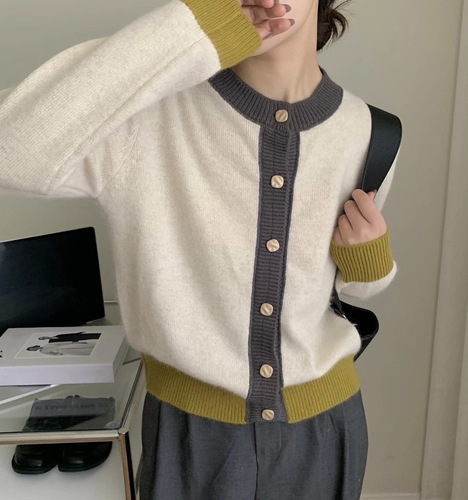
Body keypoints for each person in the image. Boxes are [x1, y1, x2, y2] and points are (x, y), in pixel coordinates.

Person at [0, 0, 399, 498]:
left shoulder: (372, 130)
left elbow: (350, 285)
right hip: (191, 433)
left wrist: (371, 259)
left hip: (325, 428)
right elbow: (10, 151)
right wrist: (193, 31)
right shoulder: (144, 118)